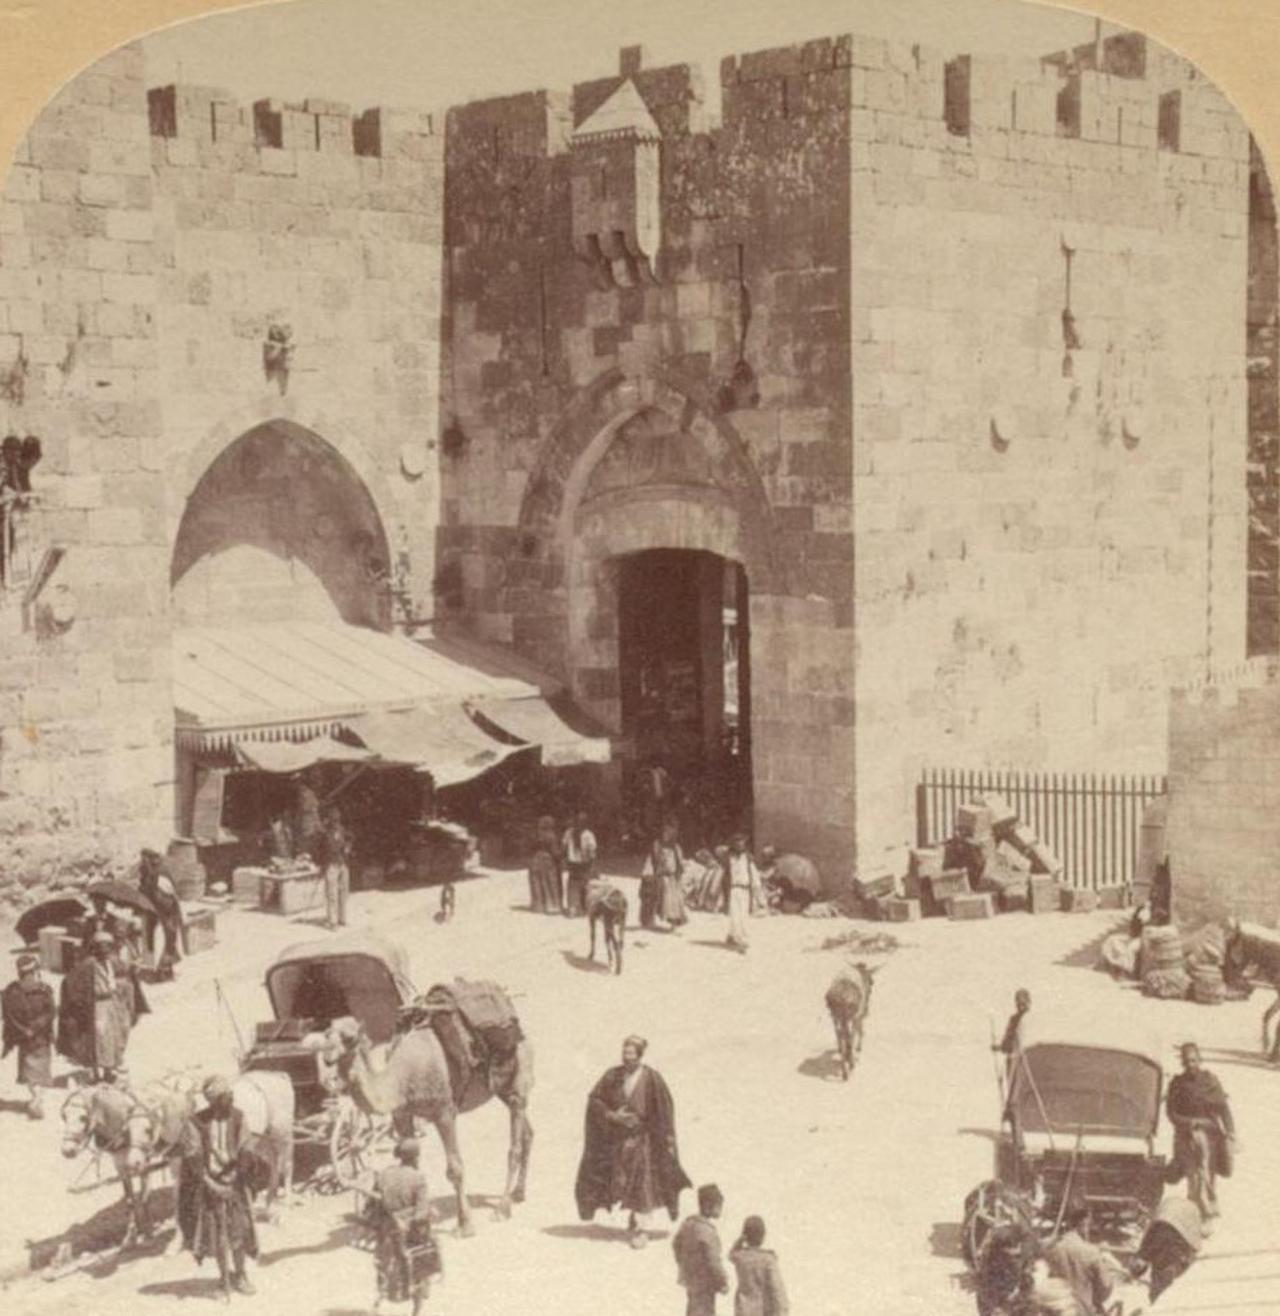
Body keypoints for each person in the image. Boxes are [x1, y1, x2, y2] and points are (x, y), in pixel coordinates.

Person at [575, 1035, 692, 1248]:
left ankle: (642, 1229)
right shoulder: (613, 1075)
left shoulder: (652, 1078)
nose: (627, 1057)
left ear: (640, 1056)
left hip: (643, 1140)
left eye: (631, 1054)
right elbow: (595, 1100)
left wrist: (663, 1138)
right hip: (618, 1141)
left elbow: (664, 1109)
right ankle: (634, 1217)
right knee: (621, 1182)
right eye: (624, 1053)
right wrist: (612, 1116)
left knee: (643, 1183)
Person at [190, 1074, 259, 1300]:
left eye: (230, 1094)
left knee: (239, 1232)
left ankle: (241, 1275)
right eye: (225, 1096)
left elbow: (247, 1148)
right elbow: (194, 1156)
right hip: (210, 1185)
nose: (231, 1098)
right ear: (213, 1100)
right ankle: (223, 1277)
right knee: (216, 1236)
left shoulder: (239, 1117)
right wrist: (210, 1183)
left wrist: (236, 1177)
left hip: (235, 1183)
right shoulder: (198, 1121)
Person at [363, 1137, 439, 1316]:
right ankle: (418, 1304)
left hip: (386, 1231)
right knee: (424, 1258)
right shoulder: (418, 1178)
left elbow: (371, 1205)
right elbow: (421, 1213)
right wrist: (430, 1213)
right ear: (416, 1157)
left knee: (383, 1264)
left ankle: (379, 1301)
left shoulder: (384, 1174)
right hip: (407, 1233)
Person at [1166, 1042, 1235, 1226]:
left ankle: (1207, 1213)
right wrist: (1190, 1123)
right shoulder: (1177, 1084)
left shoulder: (1211, 1081)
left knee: (1207, 1175)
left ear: (1200, 1060)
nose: (1191, 1065)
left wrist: (1231, 1133)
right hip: (1186, 1137)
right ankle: (1197, 1215)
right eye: (1187, 1061)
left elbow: (1223, 1109)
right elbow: (1171, 1113)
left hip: (1211, 1137)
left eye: (1194, 1060)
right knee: (1193, 1177)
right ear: (1182, 1062)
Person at [57, 931, 133, 1083]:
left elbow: (123, 973)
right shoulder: (88, 964)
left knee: (111, 1038)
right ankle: (94, 1073)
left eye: (108, 946)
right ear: (95, 947)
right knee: (96, 1039)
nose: (105, 950)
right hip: (96, 1006)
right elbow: (69, 981)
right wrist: (80, 1002)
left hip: (111, 1004)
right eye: (102, 946)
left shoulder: (111, 961)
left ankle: (108, 1071)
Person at [1044, 1201, 1127, 1316]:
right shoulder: (1091, 1252)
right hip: (1082, 1311)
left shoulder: (1053, 1249)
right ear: (1084, 1224)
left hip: (1058, 1310)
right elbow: (1105, 1287)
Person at [2, 953, 56, 1118]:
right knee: (40, 1072)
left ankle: (36, 1099)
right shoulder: (43, 990)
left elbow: (9, 1017)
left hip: (26, 1038)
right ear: (34, 971)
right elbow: (51, 1012)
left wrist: (24, 1030)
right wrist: (35, 1027)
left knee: (30, 1071)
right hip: (40, 1038)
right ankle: (37, 1100)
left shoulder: (11, 991)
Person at [673, 1185, 730, 1316]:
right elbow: (713, 1261)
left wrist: (683, 1264)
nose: (720, 1209)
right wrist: (722, 1282)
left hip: (691, 1280)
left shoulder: (687, 1224)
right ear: (708, 1205)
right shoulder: (707, 1231)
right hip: (705, 1283)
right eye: (718, 1205)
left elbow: (676, 1245)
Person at [138, 847, 185, 981]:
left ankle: (165, 971)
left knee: (165, 941)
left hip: (162, 913)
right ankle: (162, 970)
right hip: (158, 913)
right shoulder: (149, 873)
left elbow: (171, 896)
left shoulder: (159, 874)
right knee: (161, 941)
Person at [729, 1215, 789, 1316]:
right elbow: (777, 1289)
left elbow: (731, 1254)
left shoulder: (741, 1256)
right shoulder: (768, 1259)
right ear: (763, 1236)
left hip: (743, 1311)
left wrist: (741, 1239)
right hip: (763, 1310)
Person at [315, 808, 351, 931]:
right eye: (333, 820)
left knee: (343, 892)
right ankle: (332, 921)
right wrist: (321, 865)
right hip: (330, 865)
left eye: (337, 820)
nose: (336, 823)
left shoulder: (341, 830)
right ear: (328, 821)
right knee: (332, 894)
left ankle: (342, 918)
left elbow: (348, 840)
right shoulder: (324, 833)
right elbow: (319, 850)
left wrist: (347, 847)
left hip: (342, 864)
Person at [646, 821, 687, 931]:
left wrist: (679, 875)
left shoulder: (676, 848)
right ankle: (651, 921)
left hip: (672, 878)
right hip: (661, 876)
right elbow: (654, 860)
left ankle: (673, 923)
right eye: (664, 832)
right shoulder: (657, 845)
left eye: (668, 833)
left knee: (672, 902)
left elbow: (680, 863)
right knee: (658, 899)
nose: (666, 835)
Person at [723, 834, 760, 954]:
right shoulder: (729, 858)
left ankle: (742, 938)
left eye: (742, 842)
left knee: (743, 915)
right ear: (733, 844)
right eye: (737, 842)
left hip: (745, 889)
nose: (739, 844)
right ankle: (734, 936)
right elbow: (725, 875)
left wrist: (757, 890)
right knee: (734, 914)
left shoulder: (748, 858)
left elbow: (754, 874)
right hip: (733, 889)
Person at [561, 812, 598, 918]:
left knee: (572, 885)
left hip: (572, 863)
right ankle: (583, 908)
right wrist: (593, 863)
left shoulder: (569, 832)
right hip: (585, 864)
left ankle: (572, 909)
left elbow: (563, 847)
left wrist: (566, 859)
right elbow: (592, 851)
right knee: (585, 885)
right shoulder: (588, 835)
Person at [993, 989, 1033, 1080]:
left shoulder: (1027, 1019)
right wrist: (999, 1047)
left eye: (1023, 1003)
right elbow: (1007, 1044)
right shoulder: (1014, 1020)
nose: (1021, 1006)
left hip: (1025, 1061)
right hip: (1017, 1062)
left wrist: (1001, 1047)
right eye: (1019, 1003)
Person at [528, 814, 562, 914]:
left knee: (537, 883)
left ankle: (538, 906)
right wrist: (562, 854)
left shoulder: (535, 836)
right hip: (548, 861)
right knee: (550, 883)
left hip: (535, 860)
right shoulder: (551, 836)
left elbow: (529, 849)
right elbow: (555, 852)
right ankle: (551, 906)